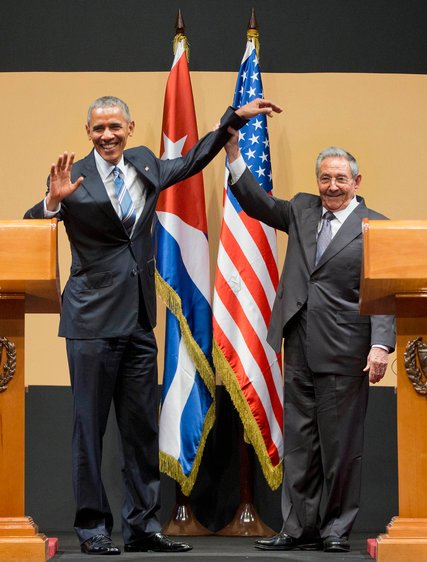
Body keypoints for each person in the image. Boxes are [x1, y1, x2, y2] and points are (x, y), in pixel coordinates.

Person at [24, 95, 282, 556]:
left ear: (129, 128)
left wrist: (233, 119)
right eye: (99, 128)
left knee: (141, 431)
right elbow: (29, 228)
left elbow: (192, 160)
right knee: (89, 431)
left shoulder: (144, 163)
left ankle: (141, 526)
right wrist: (50, 203)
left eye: (115, 127)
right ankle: (93, 528)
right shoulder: (70, 176)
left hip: (140, 323)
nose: (107, 135)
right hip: (90, 323)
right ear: (88, 132)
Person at [224, 130, 395, 553]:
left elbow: (385, 292)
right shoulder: (302, 209)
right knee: (300, 444)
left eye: (340, 178)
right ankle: (298, 528)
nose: (332, 186)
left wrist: (380, 345)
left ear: (357, 181)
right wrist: (233, 155)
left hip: (346, 350)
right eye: (325, 178)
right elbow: (259, 204)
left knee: (340, 448)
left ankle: (335, 529)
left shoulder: (375, 227)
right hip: (298, 343)